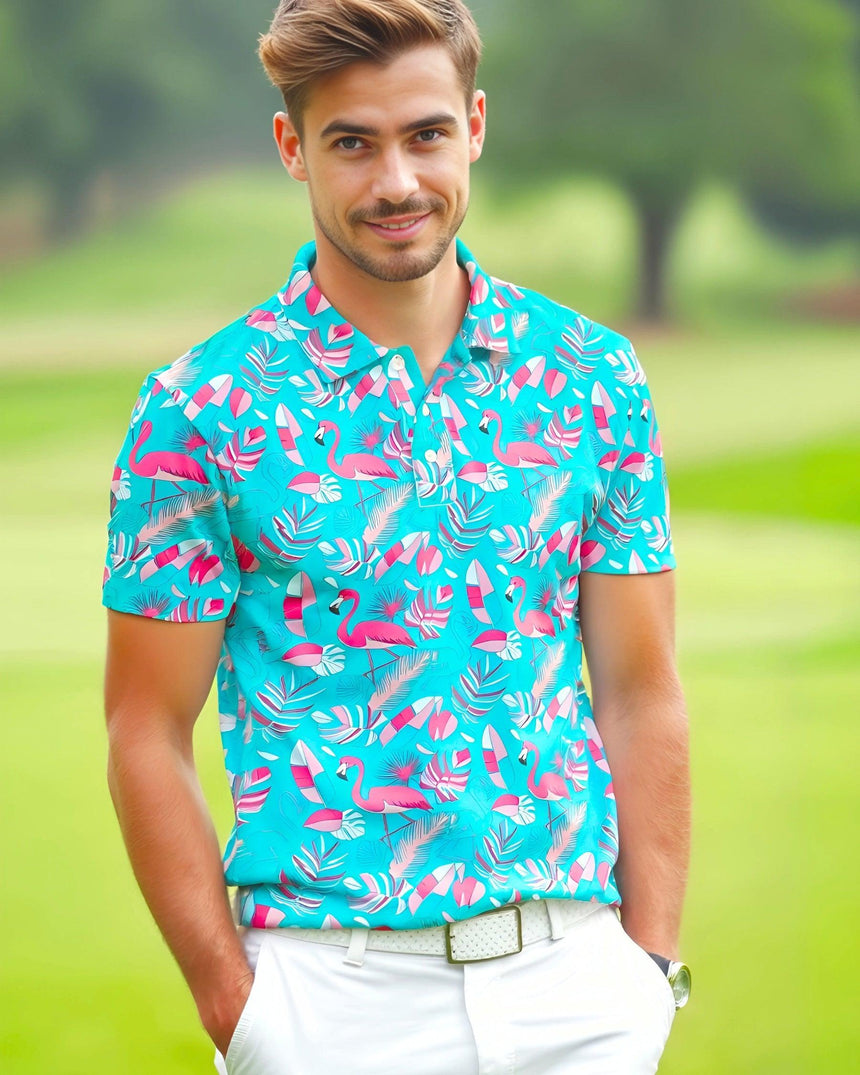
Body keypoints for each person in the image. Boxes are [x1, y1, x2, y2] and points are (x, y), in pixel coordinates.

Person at [102, 2, 692, 1072]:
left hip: (576, 990)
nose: (395, 183)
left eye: (423, 134)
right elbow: (145, 726)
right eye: (351, 142)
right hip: (330, 999)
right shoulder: (201, 409)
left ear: (473, 124)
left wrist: (646, 971)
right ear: (292, 147)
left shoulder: (589, 377)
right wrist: (240, 1009)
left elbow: (639, 687)